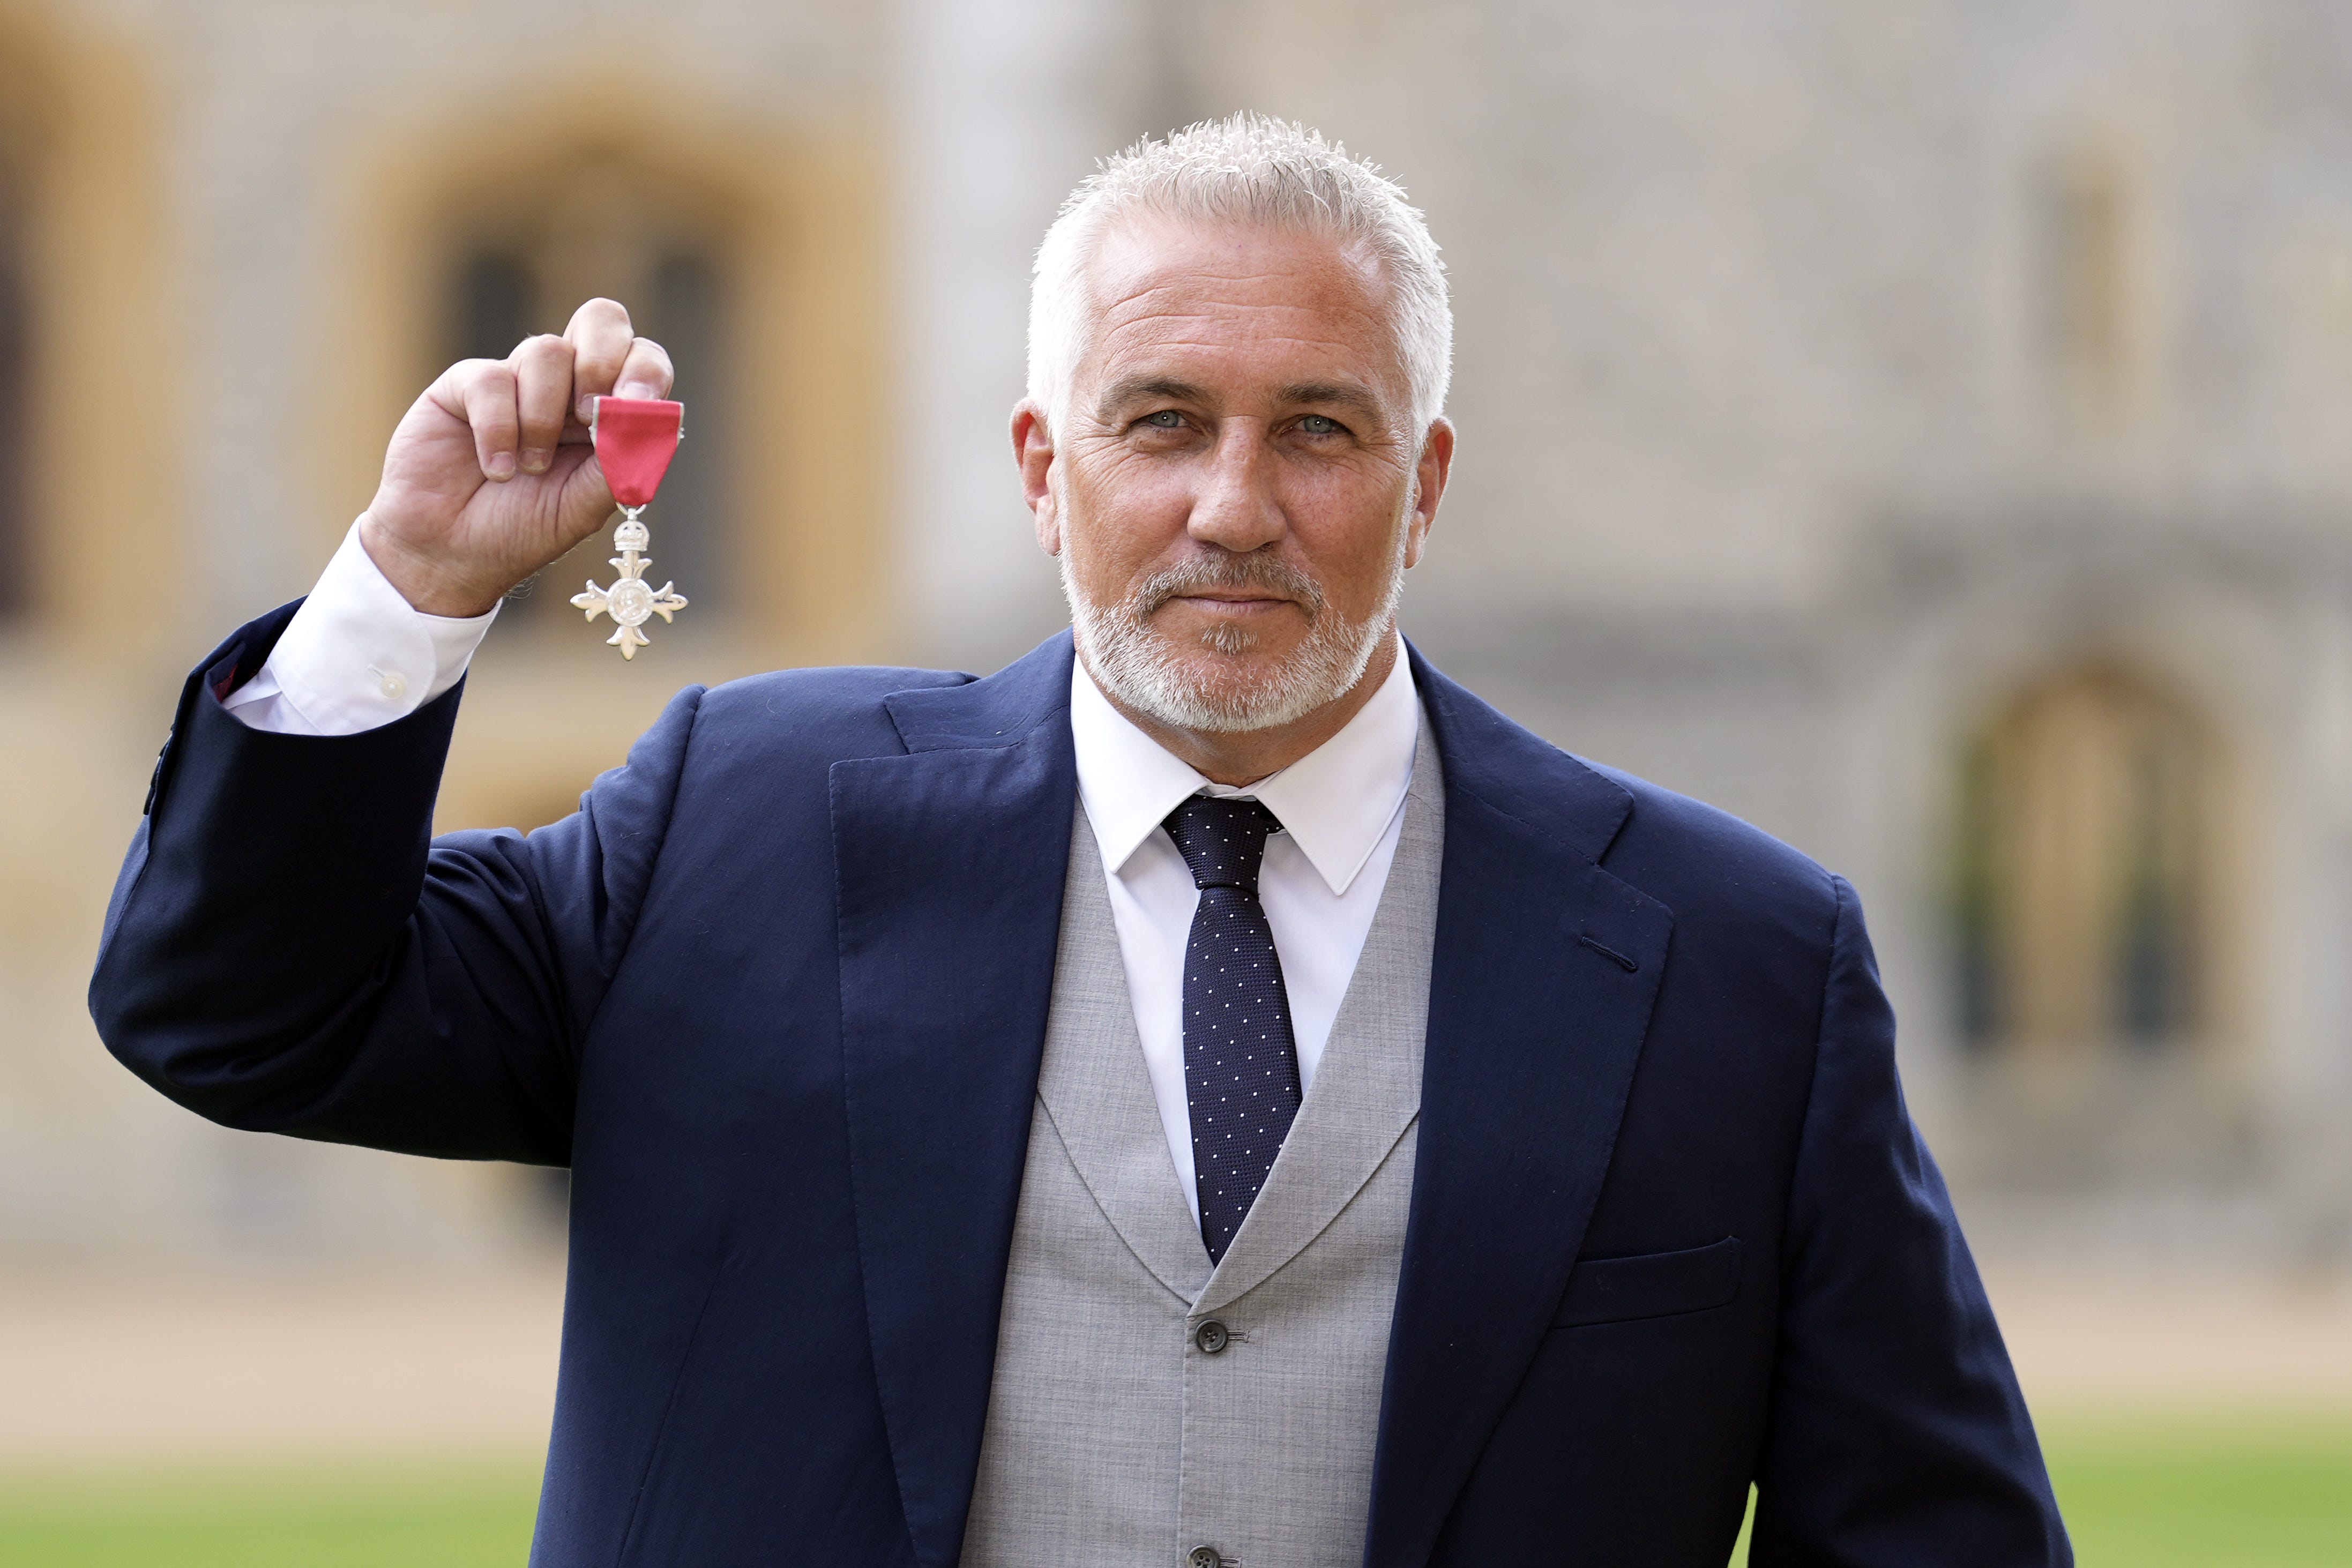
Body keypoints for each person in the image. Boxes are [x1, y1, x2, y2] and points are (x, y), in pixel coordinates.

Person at [92, 115, 2069, 1567]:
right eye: (1159, 421)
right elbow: (241, 1012)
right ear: (1045, 471)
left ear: (1426, 481)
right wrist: (410, 591)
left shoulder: (1737, 956)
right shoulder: (739, 824)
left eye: (1318, 427)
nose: (1233, 504)